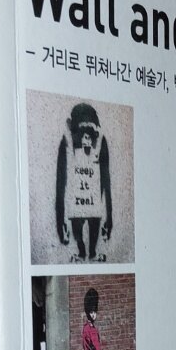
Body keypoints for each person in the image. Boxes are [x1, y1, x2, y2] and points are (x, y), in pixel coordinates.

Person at [55, 102, 112, 260]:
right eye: (81, 132)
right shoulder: (67, 145)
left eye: (90, 132)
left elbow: (106, 182)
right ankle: (82, 251)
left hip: (93, 201)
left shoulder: (100, 144)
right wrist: (61, 220)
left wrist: (109, 216)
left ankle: (92, 251)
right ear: (73, 131)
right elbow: (60, 185)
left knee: (93, 215)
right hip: (77, 202)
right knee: (77, 216)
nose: (86, 138)